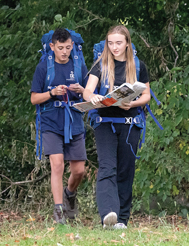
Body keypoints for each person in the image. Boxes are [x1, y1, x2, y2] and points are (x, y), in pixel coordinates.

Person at [82, 25, 151, 229]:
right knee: (107, 167)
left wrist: (133, 103)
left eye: (118, 43)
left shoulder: (138, 66)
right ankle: (107, 214)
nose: (114, 47)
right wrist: (93, 97)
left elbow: (146, 95)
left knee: (126, 170)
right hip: (105, 123)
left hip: (130, 124)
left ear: (127, 43)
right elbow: (87, 91)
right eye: (110, 43)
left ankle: (122, 219)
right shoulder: (100, 64)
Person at [31, 28, 88, 225]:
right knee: (57, 165)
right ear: (52, 47)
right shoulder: (44, 67)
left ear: (73, 46)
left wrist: (82, 90)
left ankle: (69, 194)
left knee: (79, 170)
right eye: (60, 48)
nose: (64, 52)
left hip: (74, 119)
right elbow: (34, 98)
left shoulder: (79, 65)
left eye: (67, 47)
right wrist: (52, 93)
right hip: (50, 120)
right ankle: (59, 211)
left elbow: (90, 94)